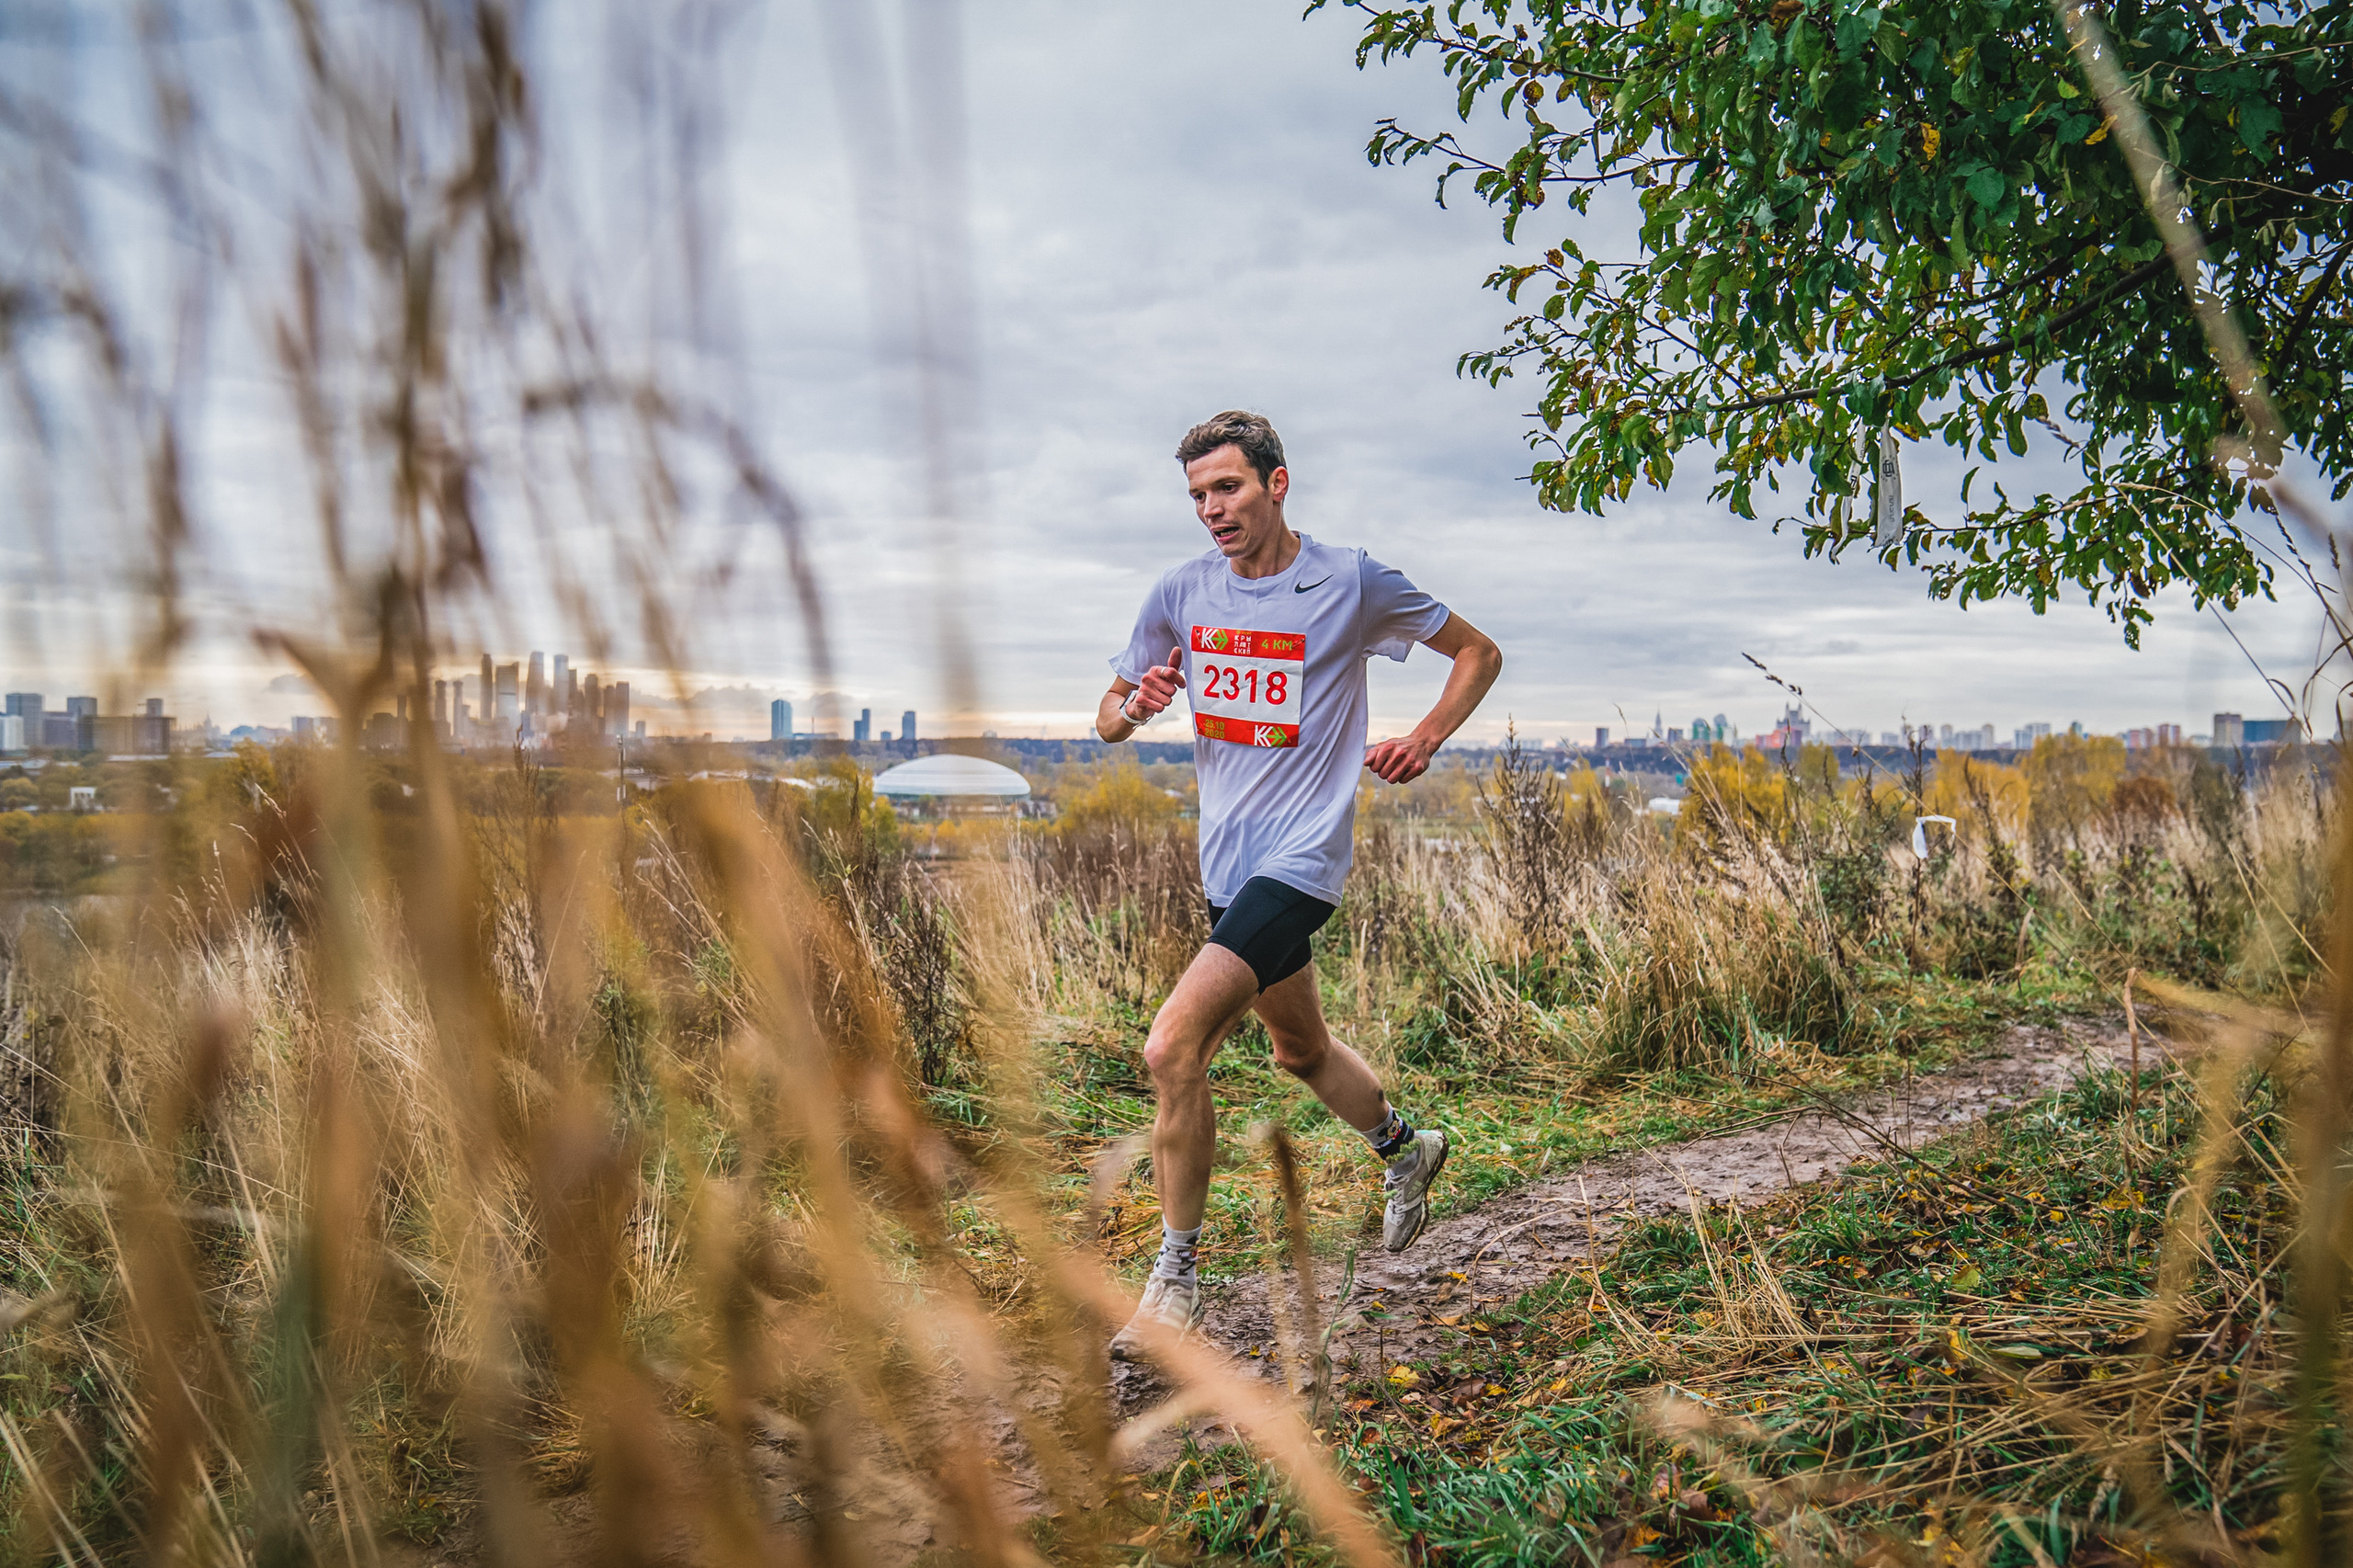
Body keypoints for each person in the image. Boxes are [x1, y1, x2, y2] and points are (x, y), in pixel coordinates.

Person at [1097, 409, 1503, 1362]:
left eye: (1227, 487)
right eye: (1198, 495)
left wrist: (1424, 736)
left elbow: (1477, 653)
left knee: (1171, 1045)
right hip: (1227, 867)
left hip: (1303, 860)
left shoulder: (1348, 580)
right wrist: (1137, 705)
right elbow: (1109, 716)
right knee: (1299, 1048)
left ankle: (1176, 1276)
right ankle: (1407, 1148)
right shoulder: (1181, 590)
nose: (1211, 509)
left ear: (1276, 485)